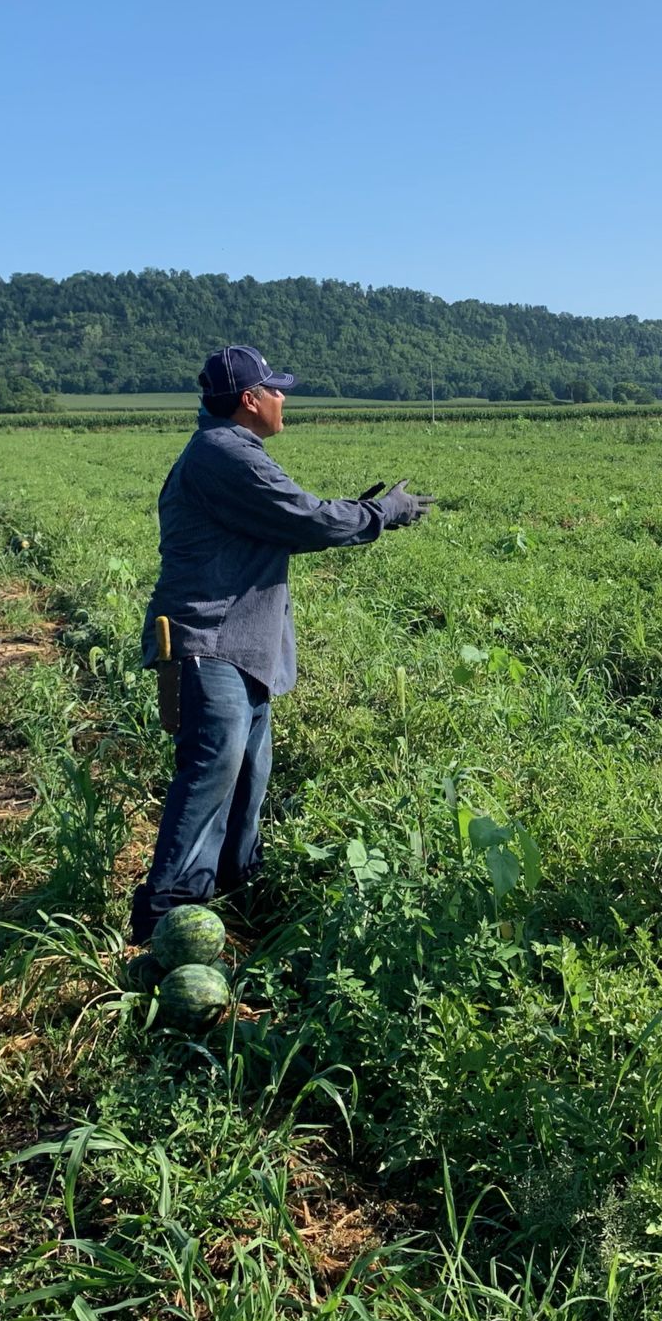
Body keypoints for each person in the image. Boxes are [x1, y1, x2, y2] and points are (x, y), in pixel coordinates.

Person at [130, 346, 435, 944]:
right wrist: (381, 512)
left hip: (242, 645)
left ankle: (235, 894)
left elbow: (291, 520)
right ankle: (168, 919)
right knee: (212, 772)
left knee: (248, 773)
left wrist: (360, 511)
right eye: (275, 390)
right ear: (249, 400)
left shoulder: (230, 452)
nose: (282, 399)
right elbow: (306, 520)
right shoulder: (225, 454)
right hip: (209, 641)